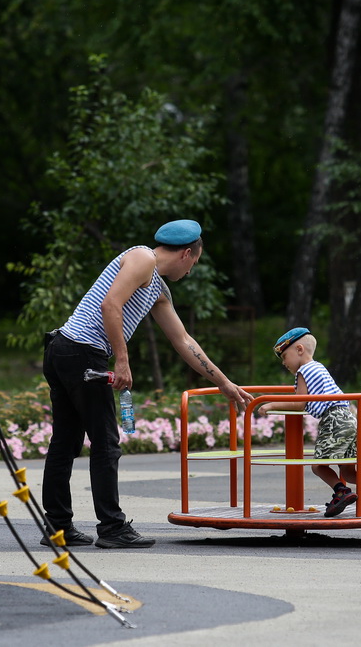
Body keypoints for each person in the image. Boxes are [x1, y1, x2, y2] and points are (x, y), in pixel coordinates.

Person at [40, 220, 253, 549]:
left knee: (66, 442)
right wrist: (122, 360)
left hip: (65, 350)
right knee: (106, 443)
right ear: (186, 254)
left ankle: (58, 528)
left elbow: (183, 340)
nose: (190, 272)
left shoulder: (158, 289)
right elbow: (110, 304)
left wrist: (223, 382)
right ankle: (112, 528)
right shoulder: (143, 258)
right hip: (82, 353)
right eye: (194, 263)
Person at [254, 328, 361, 517]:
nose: (283, 362)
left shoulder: (303, 371)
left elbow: (299, 403)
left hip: (334, 420)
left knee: (318, 466)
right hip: (350, 418)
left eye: (284, 356)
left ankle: (341, 492)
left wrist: (271, 404)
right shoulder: (319, 367)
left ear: (299, 349)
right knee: (349, 472)